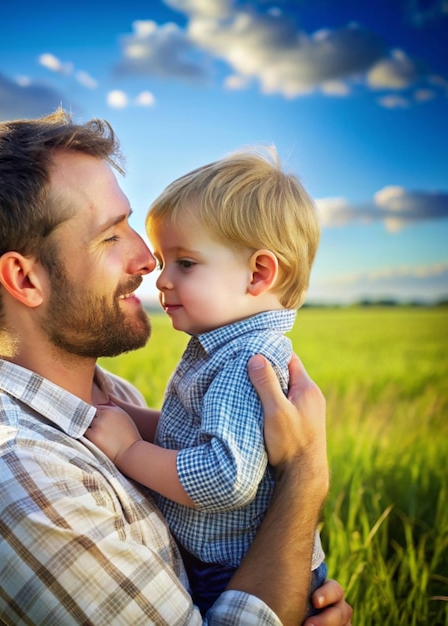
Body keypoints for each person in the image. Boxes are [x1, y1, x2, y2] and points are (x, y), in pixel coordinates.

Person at [0, 109, 352, 625]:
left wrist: (288, 583)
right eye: (110, 235)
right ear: (26, 280)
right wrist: (305, 476)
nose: (148, 261)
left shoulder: (109, 395)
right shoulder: (20, 479)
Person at [85, 148, 327, 617]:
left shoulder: (243, 361)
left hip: (234, 570)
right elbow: (193, 435)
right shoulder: (220, 345)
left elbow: (224, 478)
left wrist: (128, 451)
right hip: (232, 561)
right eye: (162, 260)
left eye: (186, 263)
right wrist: (127, 414)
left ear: (259, 273)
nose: (161, 279)